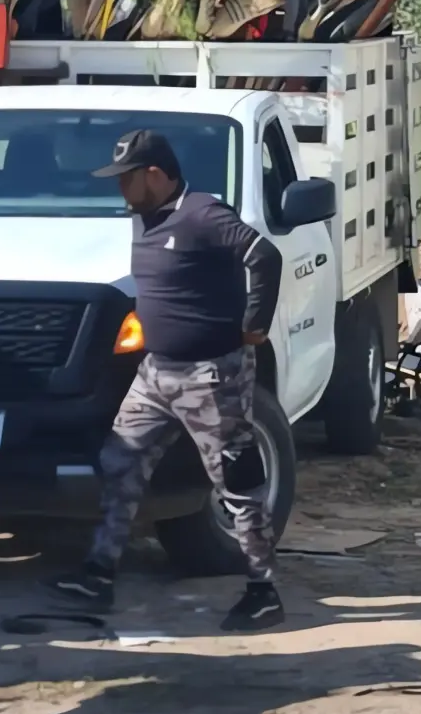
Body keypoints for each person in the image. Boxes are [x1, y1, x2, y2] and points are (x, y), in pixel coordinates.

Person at [44, 129, 287, 632]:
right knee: (119, 461)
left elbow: (263, 256)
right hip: (155, 374)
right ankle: (98, 573)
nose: (119, 190)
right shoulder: (143, 218)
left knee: (237, 484)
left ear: (154, 175)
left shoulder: (201, 213)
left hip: (210, 374)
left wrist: (254, 326)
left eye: (126, 179)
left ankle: (263, 591)